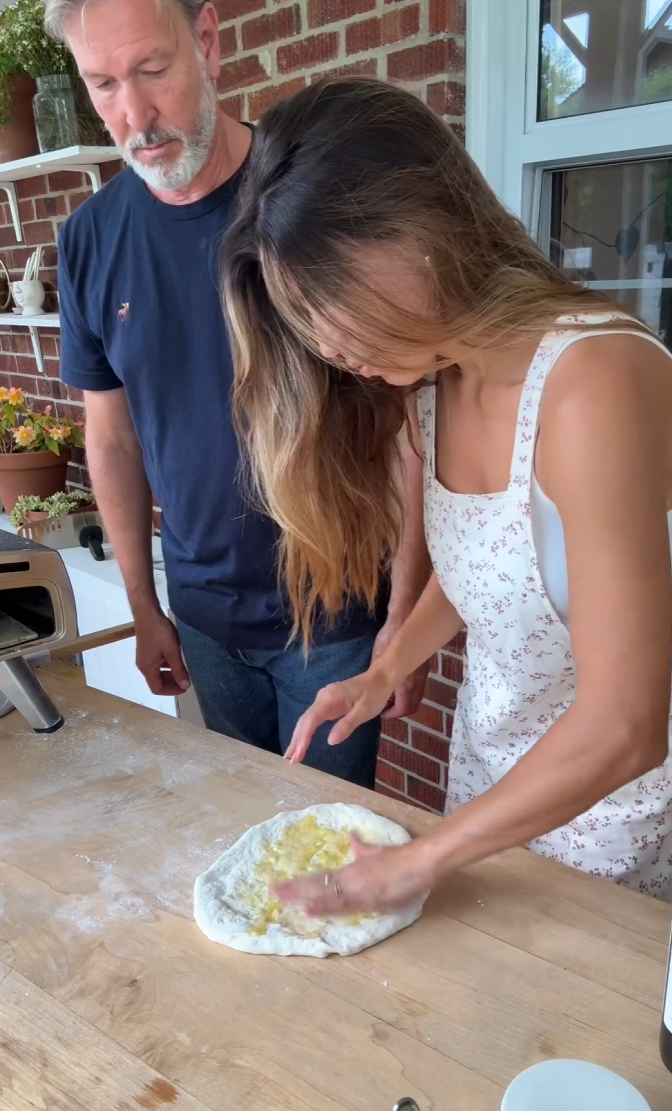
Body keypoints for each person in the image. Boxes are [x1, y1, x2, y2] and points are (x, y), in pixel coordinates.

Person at [222, 76, 672, 908]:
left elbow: (629, 722)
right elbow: (487, 568)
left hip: (614, 818)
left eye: (330, 299)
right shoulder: (430, 382)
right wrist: (385, 665)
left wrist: (417, 862)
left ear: (417, 228)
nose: (326, 342)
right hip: (489, 788)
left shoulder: (592, 383)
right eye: (305, 316)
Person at [45, 0, 430, 788]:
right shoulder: (89, 241)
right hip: (204, 616)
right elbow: (111, 440)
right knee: (240, 823)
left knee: (320, 844)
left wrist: (405, 615)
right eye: (104, 84)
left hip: (337, 614)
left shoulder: (309, 198)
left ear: (209, 42)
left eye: (154, 70)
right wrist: (141, 604)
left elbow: (406, 416)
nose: (137, 115)